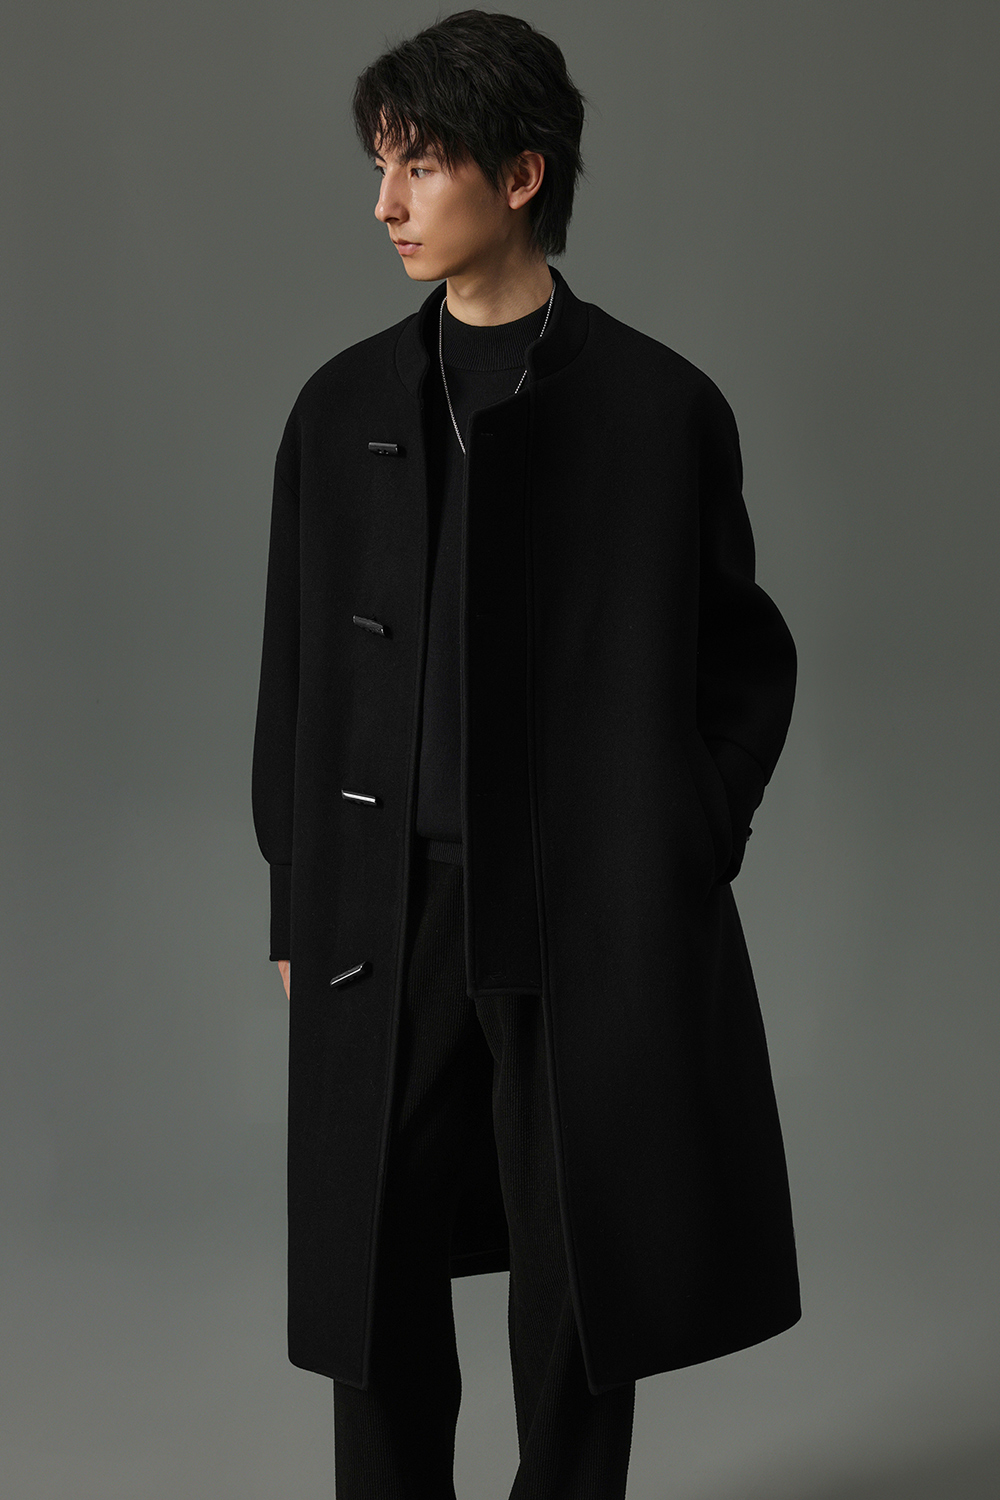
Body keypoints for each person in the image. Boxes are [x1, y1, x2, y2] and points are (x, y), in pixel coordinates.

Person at [251, 9, 801, 1496]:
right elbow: (294, 676)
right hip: (386, 904)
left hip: (581, 904)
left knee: (580, 1259)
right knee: (371, 1261)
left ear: (519, 174)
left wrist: (679, 837)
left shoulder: (660, 409)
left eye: (420, 166)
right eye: (380, 166)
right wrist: (299, 893)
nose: (386, 204)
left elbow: (745, 663)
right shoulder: (341, 407)